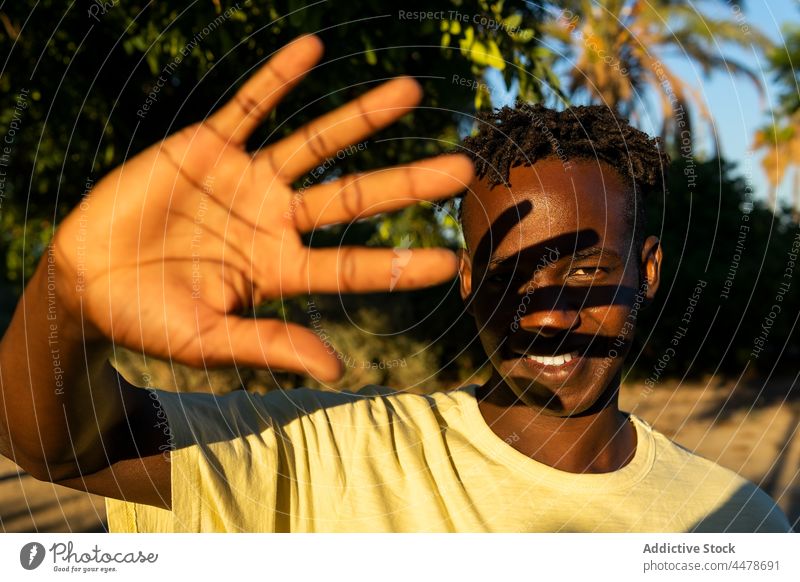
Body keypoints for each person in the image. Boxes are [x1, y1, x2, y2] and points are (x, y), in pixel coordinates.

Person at [0, 35, 790, 533]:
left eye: (587, 270)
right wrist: (67, 298)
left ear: (647, 270)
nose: (547, 315)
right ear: (470, 281)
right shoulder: (333, 451)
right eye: (513, 277)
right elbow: (60, 449)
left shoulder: (733, 529)